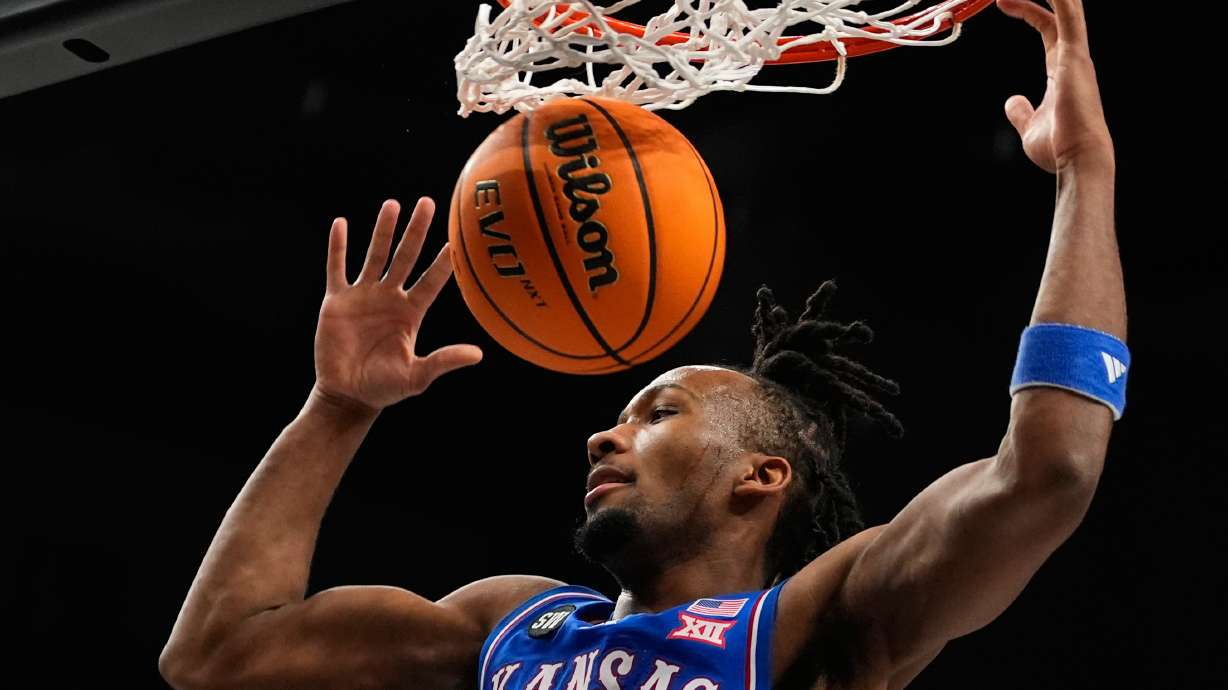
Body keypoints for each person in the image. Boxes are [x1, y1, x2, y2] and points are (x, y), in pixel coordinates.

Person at [159, 1, 1124, 688]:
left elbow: (1047, 472)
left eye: (657, 412)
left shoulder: (816, 627)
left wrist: (1084, 174)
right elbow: (218, 655)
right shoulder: (511, 628)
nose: (601, 439)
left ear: (761, 476)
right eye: (622, 416)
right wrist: (339, 408)